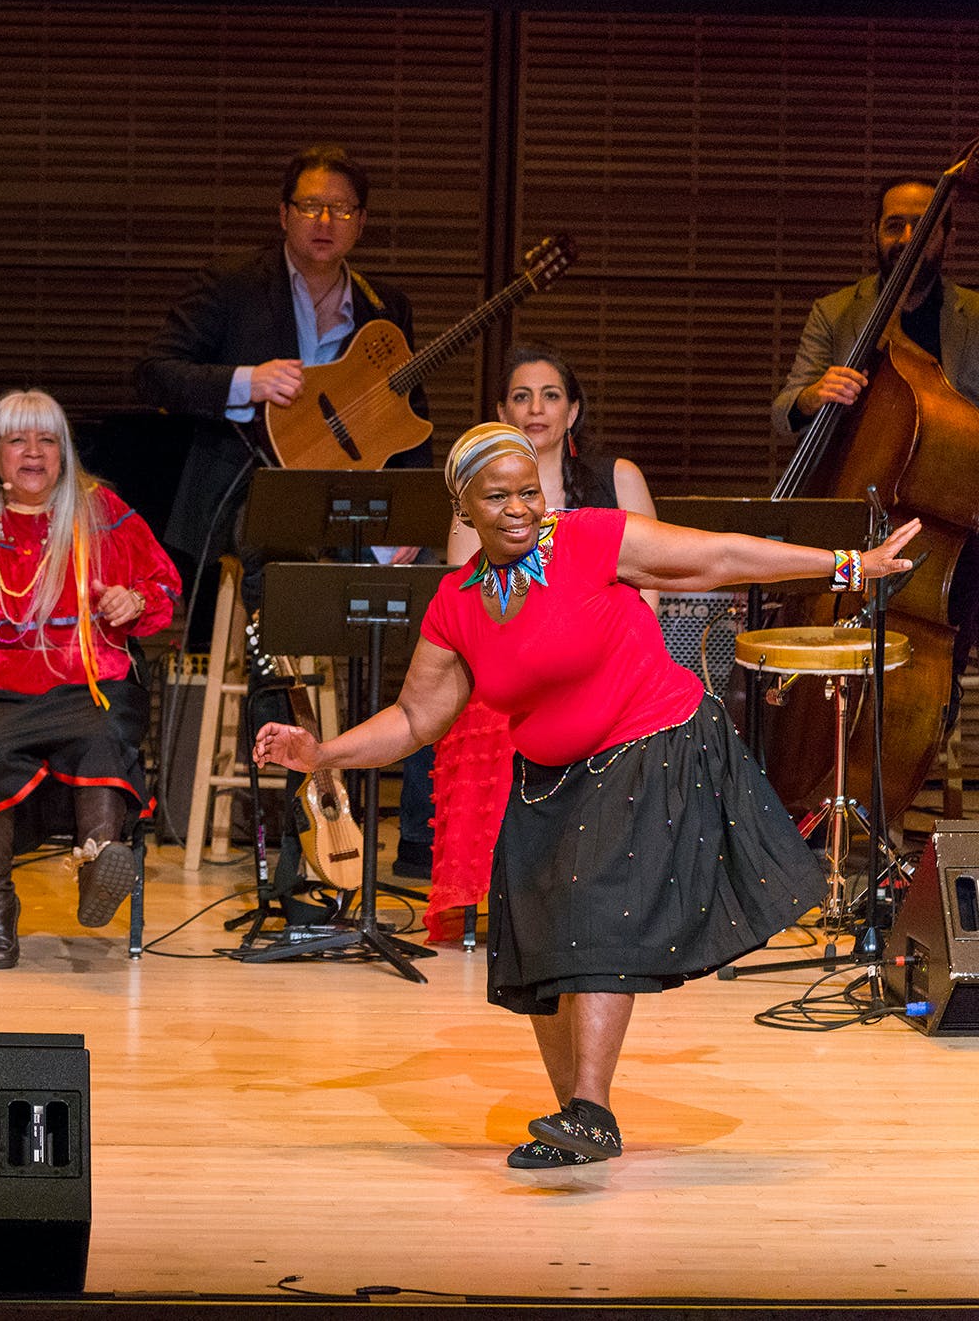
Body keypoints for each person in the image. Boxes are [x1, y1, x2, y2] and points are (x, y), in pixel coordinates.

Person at [255, 423, 916, 1168]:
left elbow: (719, 555)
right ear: (464, 507)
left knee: (596, 905)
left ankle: (592, 1109)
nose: (518, 508)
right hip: (548, 773)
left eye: (528, 490)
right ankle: (576, 1115)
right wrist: (322, 754)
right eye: (496, 496)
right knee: (537, 936)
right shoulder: (457, 602)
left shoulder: (586, 539)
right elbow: (415, 717)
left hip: (652, 739)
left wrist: (848, 567)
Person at [135, 143, 435, 887]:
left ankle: (399, 821)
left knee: (431, 588)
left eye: (339, 208)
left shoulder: (383, 307)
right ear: (284, 215)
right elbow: (154, 371)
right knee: (288, 558)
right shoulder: (235, 287)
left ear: (361, 222)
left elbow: (406, 419)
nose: (323, 220)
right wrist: (245, 379)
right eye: (309, 206)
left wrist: (406, 521)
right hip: (245, 492)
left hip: (347, 507)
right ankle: (296, 820)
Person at [0, 389, 182, 969]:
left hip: (91, 680)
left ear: (64, 451)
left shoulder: (104, 512)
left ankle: (97, 865)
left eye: (48, 439)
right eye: (17, 440)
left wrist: (135, 600)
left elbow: (165, 588)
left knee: (104, 734)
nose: (33, 452)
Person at [426, 344, 658, 942]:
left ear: (573, 410)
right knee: (480, 716)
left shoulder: (616, 478)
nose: (536, 409)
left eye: (551, 396)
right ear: (501, 410)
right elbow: (468, 600)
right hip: (515, 670)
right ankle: (497, 900)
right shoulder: (476, 493)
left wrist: (846, 567)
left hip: (608, 668)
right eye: (521, 397)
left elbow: (654, 580)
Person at [772, 174, 979, 684]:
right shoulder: (836, 311)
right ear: (874, 233)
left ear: (946, 237)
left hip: (954, 520)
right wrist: (813, 394)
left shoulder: (973, 316)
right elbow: (783, 410)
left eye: (923, 226)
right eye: (894, 225)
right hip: (855, 512)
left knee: (940, 654)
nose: (907, 238)